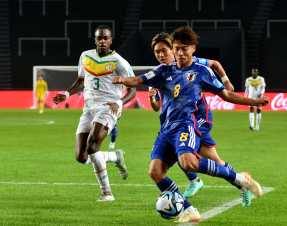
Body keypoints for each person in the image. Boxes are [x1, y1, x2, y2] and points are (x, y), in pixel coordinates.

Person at [112, 26, 269, 222]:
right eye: (176, 48)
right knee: (155, 172)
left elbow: (226, 94)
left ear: (192, 48)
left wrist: (254, 101)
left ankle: (236, 180)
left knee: (188, 162)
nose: (179, 53)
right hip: (166, 129)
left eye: (183, 48)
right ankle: (190, 210)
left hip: (188, 123)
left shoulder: (201, 70)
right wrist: (122, 79)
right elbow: (139, 80)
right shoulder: (163, 70)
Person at [148, 32, 252, 207]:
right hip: (178, 123)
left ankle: (194, 180)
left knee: (182, 148)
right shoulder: (158, 74)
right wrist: (152, 99)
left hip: (199, 118)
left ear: (173, 50)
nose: (161, 55)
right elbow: (157, 107)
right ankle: (242, 186)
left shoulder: (193, 62)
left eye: (164, 51)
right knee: (215, 161)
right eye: (158, 52)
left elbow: (216, 64)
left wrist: (226, 82)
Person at [53, 25, 136, 202]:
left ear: (111, 40)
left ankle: (106, 192)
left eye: (106, 38)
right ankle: (114, 156)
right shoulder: (85, 55)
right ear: (95, 40)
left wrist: (119, 102)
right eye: (99, 38)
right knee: (81, 157)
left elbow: (133, 90)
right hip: (88, 108)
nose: (102, 41)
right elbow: (80, 81)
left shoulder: (120, 62)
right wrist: (66, 94)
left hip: (108, 107)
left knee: (92, 147)